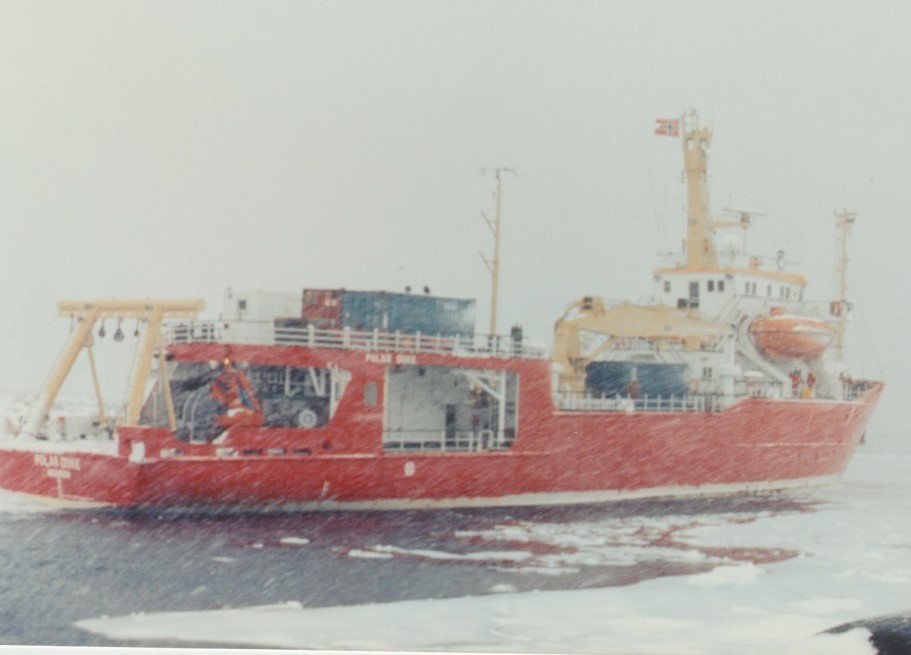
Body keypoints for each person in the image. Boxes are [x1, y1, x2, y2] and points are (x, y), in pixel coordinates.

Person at [210, 358, 263, 430]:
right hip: (233, 412)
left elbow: (248, 394)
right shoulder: (236, 376)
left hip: (233, 413)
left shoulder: (236, 377)